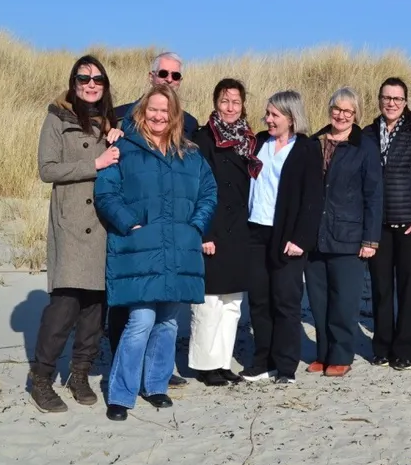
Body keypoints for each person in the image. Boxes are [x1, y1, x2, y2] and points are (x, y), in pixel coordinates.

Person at [94, 84, 217, 420]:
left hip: (179, 248)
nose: (159, 116)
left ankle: (156, 385)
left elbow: (209, 192)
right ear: (142, 112)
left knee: (166, 322)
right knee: (140, 320)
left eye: (165, 110)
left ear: (174, 114)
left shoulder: (189, 153)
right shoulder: (125, 147)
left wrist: (195, 226)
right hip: (140, 248)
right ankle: (121, 393)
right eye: (153, 110)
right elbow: (106, 193)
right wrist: (130, 224)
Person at [30, 55, 122, 413]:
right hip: (69, 223)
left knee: (94, 308)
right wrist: (94, 164)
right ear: (73, 81)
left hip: (101, 224)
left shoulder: (111, 120)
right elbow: (46, 169)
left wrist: (120, 136)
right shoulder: (57, 116)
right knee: (64, 305)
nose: (91, 83)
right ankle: (41, 379)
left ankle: (79, 375)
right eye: (83, 78)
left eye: (98, 79)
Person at [108, 51, 199, 388]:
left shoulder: (190, 122)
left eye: (176, 75)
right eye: (164, 73)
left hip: (171, 229)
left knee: (164, 313)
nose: (169, 80)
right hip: (133, 227)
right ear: (151, 75)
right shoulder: (119, 116)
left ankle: (157, 373)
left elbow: (196, 180)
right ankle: (122, 371)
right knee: (130, 311)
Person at [242, 91, 323, 385]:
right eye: (267, 114)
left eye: (275, 115)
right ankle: (263, 361)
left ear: (291, 118)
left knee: (286, 301)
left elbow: (313, 198)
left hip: (287, 235)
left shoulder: (306, 148)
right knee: (259, 300)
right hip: (255, 231)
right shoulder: (259, 142)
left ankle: (286, 367)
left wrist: (300, 237)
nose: (269, 119)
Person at [305, 87, 383, 378]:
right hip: (316, 236)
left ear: (356, 115)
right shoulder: (315, 142)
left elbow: (374, 195)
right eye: (337, 109)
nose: (341, 115)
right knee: (319, 300)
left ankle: (341, 355)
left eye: (348, 111)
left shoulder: (365, 147)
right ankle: (323, 354)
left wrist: (370, 239)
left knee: (344, 302)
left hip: (349, 237)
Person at [363, 78, 411, 371]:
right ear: (379, 100)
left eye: (397, 98)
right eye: (387, 97)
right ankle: (381, 346)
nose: (391, 103)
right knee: (381, 289)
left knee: (410, 289)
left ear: (405, 102)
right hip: (378, 225)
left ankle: (406, 348)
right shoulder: (368, 134)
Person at [189, 79, 259, 387]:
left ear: (243, 105)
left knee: (232, 304)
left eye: (236, 102)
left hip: (240, 231)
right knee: (208, 302)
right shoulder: (203, 139)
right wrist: (204, 233)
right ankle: (205, 366)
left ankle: (222, 361)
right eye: (224, 101)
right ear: (215, 103)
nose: (230, 107)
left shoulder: (250, 141)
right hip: (214, 229)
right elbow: (196, 189)